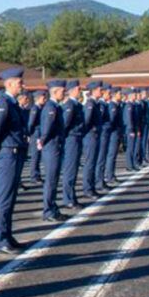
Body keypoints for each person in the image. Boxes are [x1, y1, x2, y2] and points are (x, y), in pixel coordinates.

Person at [0, 68, 27, 254]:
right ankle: (0, 239)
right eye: (20, 83)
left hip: (15, 153)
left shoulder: (12, 104)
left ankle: (7, 234)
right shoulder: (4, 103)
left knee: (11, 197)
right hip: (7, 155)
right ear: (10, 83)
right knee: (4, 198)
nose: (22, 85)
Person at [39, 81, 67, 221]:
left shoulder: (56, 107)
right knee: (50, 179)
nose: (64, 93)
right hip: (51, 146)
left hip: (56, 145)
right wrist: (42, 140)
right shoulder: (51, 107)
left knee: (54, 179)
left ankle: (53, 207)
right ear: (55, 92)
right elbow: (47, 128)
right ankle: (48, 210)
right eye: (62, 91)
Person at [60, 80, 85, 211]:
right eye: (78, 89)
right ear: (71, 91)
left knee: (74, 169)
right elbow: (65, 125)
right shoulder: (70, 105)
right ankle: (68, 198)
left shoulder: (77, 105)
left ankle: (71, 196)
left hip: (77, 138)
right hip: (71, 139)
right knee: (70, 170)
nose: (80, 91)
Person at [81, 82, 102, 200]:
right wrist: (91, 131)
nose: (101, 92)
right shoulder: (90, 104)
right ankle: (87, 189)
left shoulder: (95, 103)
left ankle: (91, 187)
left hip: (94, 136)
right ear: (93, 91)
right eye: (99, 90)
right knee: (90, 163)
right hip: (90, 136)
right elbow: (87, 121)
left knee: (93, 162)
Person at [27, 88, 46, 187]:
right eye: (43, 97)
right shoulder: (35, 108)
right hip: (36, 134)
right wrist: (30, 134)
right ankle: (34, 176)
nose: (45, 99)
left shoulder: (41, 108)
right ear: (38, 98)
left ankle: (37, 175)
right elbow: (31, 123)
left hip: (39, 133)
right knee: (35, 156)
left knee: (38, 156)